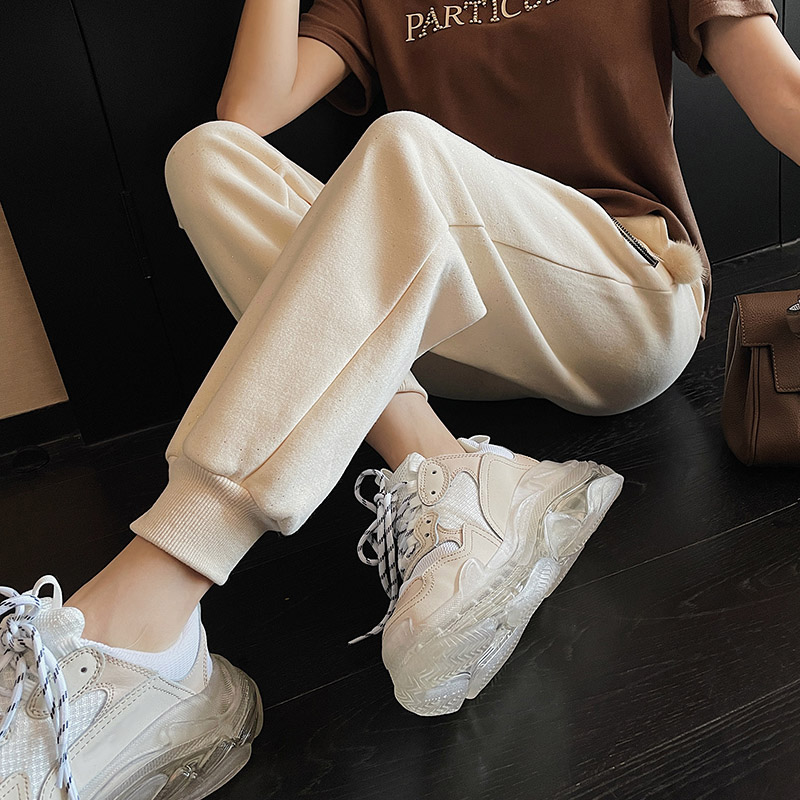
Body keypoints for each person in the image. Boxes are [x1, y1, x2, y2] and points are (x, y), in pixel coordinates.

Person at [2, 1, 796, 797]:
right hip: (448, 328)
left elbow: (784, 95)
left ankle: (153, 602)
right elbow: (248, 109)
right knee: (208, 159)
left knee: (403, 144)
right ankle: (449, 471)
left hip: (619, 302)